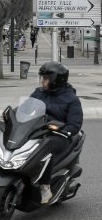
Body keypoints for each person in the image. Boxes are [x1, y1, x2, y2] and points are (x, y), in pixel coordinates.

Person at [29, 61, 83, 204]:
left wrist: (61, 130)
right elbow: (27, 108)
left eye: (46, 79)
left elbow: (75, 124)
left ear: (55, 80)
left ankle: (45, 186)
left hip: (58, 136)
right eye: (42, 77)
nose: (42, 81)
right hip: (38, 130)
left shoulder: (71, 99)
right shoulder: (38, 93)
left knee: (47, 147)